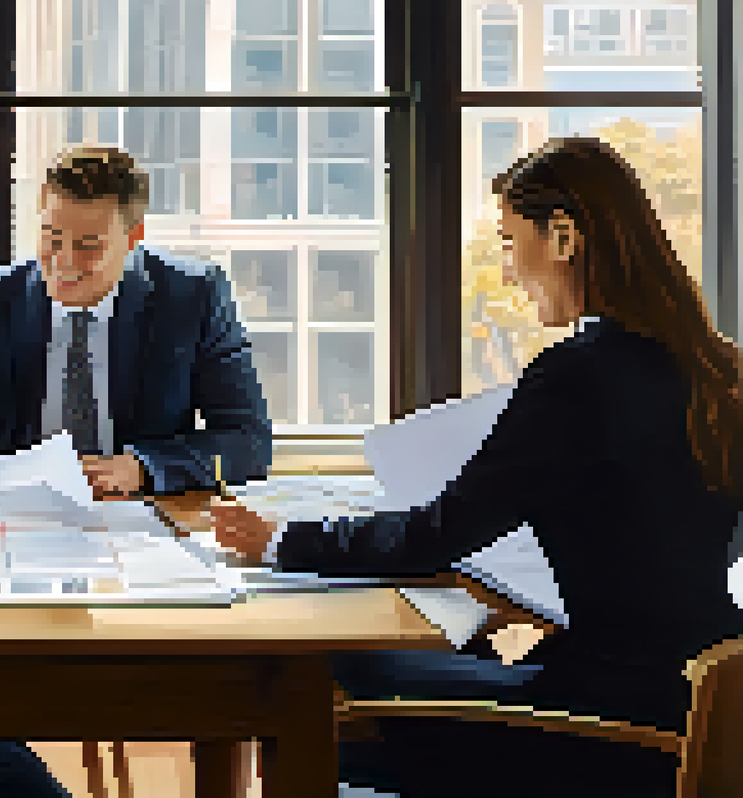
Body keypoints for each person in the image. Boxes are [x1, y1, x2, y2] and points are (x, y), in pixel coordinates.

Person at [214, 137, 743, 797]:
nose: (509, 269)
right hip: (701, 709)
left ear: (564, 236)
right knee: (455, 651)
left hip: (613, 730)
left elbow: (442, 531)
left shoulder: (579, 377)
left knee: (333, 670)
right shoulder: (718, 370)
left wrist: (283, 540)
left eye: (508, 241)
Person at [0, 145, 273, 797]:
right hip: (8, 549)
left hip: (144, 552)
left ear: (133, 238)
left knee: (238, 680)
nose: (62, 262)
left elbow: (249, 441)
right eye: (51, 237)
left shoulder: (192, 296)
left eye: (88, 245)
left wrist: (140, 468)